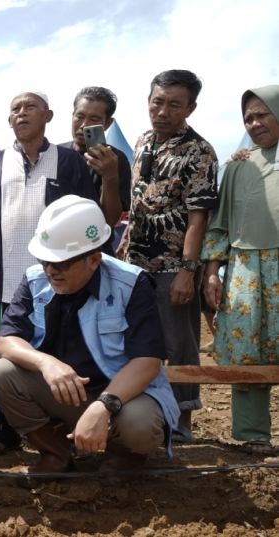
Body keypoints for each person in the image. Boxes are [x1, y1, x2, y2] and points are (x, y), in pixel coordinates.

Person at [0, 195, 179, 473]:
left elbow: (148, 362)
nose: (51, 271)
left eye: (62, 263)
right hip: (65, 391)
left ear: (93, 259)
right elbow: (6, 341)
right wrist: (46, 363)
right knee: (1, 374)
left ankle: (123, 455)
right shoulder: (34, 280)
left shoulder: (132, 284)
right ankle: (56, 452)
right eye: (45, 260)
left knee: (139, 425)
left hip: (123, 397)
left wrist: (104, 405)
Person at [0, 91, 95, 456]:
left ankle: (60, 427)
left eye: (30, 107)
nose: (21, 113)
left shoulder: (69, 161)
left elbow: (87, 215)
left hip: (60, 283)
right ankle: (7, 429)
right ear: (9, 120)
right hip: (5, 283)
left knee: (59, 351)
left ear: (49, 116)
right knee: (7, 355)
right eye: (15, 109)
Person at [120, 70, 218, 439]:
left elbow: (198, 219)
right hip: (135, 265)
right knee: (139, 341)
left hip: (174, 265)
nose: (162, 111)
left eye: (174, 105)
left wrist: (187, 271)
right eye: (157, 102)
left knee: (179, 344)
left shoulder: (200, 151)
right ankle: (147, 414)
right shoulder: (142, 141)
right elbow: (139, 198)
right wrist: (128, 236)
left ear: (190, 108)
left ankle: (181, 423)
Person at [202, 85, 279, 454]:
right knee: (247, 348)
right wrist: (213, 272)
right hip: (246, 269)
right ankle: (252, 436)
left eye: (263, 114)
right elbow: (219, 224)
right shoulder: (237, 166)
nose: (254, 123)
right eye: (248, 117)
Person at [60, 87, 132, 233]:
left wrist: (109, 176)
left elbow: (111, 220)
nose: (84, 125)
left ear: (107, 123)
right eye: (79, 116)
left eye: (94, 119)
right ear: (72, 115)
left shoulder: (115, 159)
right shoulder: (56, 154)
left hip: (95, 243)